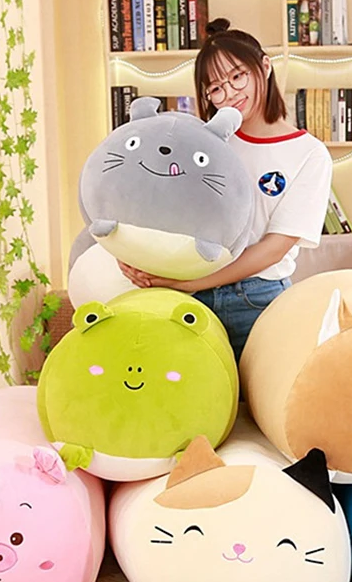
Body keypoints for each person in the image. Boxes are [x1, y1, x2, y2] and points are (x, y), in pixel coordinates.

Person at [119, 18, 333, 363]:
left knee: (265, 394)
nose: (230, 93)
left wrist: (191, 283)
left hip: (259, 299)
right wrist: (130, 254)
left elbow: (274, 248)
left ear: (265, 67)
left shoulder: (309, 154)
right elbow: (158, 206)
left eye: (237, 77)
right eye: (216, 88)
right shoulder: (202, 144)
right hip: (190, 295)